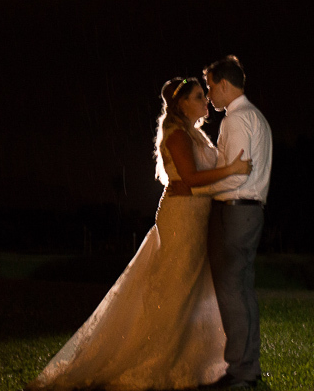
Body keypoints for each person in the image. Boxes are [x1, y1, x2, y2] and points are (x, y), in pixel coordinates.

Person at [26, 76, 253, 391]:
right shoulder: (175, 134)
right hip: (182, 218)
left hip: (198, 217)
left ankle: (191, 358)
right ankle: (155, 357)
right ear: (181, 103)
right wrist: (230, 171)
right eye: (199, 96)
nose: (206, 101)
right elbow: (189, 178)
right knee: (177, 284)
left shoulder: (195, 134)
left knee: (195, 286)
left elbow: (203, 177)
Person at [178, 55, 272, 389]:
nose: (209, 94)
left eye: (210, 87)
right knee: (242, 292)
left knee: (232, 292)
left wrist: (199, 188)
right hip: (248, 211)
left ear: (224, 84)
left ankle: (241, 372)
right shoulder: (255, 116)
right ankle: (248, 367)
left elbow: (236, 178)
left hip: (235, 212)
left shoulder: (236, 120)